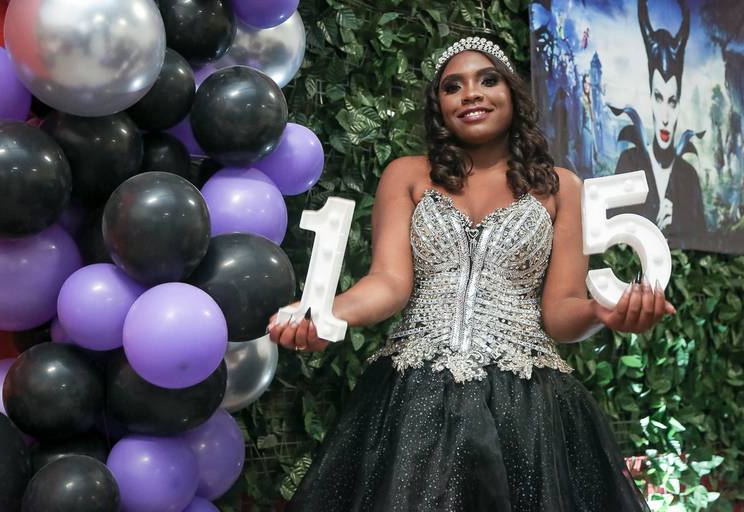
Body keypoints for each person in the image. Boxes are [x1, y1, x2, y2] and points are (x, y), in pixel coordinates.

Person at [268, 36, 674, 511]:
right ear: (438, 105)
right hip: (415, 396)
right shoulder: (406, 175)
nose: (471, 94)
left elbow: (561, 314)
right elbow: (389, 284)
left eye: (488, 80)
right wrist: (325, 312)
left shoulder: (561, 187)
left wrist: (603, 311)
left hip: (526, 405)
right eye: (452, 86)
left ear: (512, 94)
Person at [611, 0, 706, 242]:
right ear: (650, 99)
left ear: (679, 103)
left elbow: (700, 238)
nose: (665, 117)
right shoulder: (629, 162)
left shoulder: (689, 177)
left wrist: (678, 224)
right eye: (659, 97)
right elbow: (609, 232)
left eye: (672, 101)